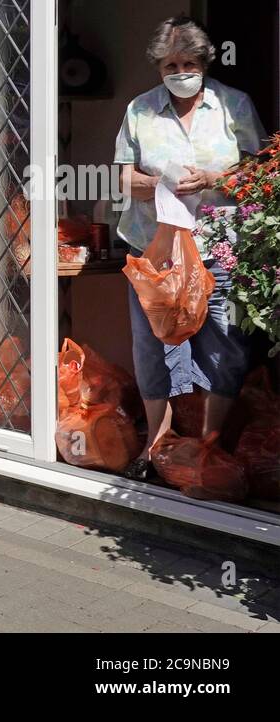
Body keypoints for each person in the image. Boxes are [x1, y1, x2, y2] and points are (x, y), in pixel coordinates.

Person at [116, 16, 264, 481]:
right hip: (155, 255)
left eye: (188, 63)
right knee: (151, 348)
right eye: (169, 64)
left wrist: (214, 179)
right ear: (159, 67)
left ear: (204, 63)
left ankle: (208, 445)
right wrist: (154, 183)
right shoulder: (140, 110)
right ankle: (154, 447)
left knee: (223, 346)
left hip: (216, 251)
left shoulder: (232, 105)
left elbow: (260, 174)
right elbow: (124, 177)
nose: (179, 71)